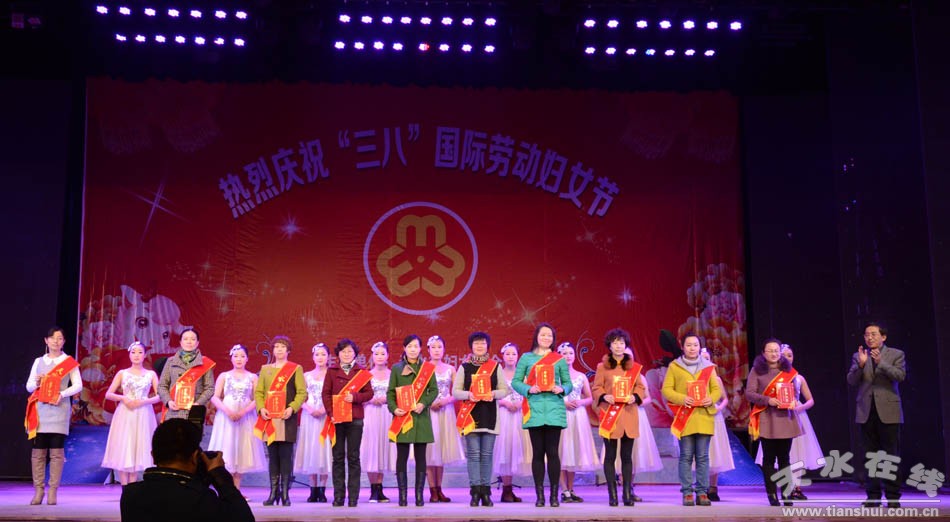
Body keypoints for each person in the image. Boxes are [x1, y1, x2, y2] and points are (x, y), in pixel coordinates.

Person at [119, 418, 254, 522]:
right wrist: (220, 476)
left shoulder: (131, 495)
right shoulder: (202, 499)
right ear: (195, 457)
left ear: (153, 456)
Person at [511, 323, 573, 508]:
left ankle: (554, 495)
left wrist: (562, 389)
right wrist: (529, 389)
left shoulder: (559, 359)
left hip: (554, 409)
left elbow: (568, 383)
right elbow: (515, 382)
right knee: (537, 453)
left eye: (549, 336)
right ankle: (539, 496)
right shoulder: (526, 358)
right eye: (543, 335)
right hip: (534, 409)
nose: (546, 338)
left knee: (553, 453)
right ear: (536, 337)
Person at [846, 322, 905, 508]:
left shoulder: (896, 354)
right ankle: (873, 496)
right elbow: (851, 380)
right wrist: (861, 365)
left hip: (889, 412)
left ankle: (893, 496)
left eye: (873, 334)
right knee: (870, 456)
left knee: (890, 455)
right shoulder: (858, 356)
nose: (869, 338)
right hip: (866, 411)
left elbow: (900, 376)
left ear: (883, 337)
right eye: (866, 335)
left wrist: (881, 363)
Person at [754, 344, 821, 501]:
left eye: (790, 355)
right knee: (775, 455)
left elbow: (810, 400)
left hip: (795, 415)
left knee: (797, 453)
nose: (787, 358)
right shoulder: (769, 375)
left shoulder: (797, 377)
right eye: (784, 355)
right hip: (774, 416)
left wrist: (799, 407)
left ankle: (795, 487)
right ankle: (779, 488)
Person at [25, 326, 83, 505]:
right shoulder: (38, 361)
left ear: (64, 341)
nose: (56, 341)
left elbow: (78, 385)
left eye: (59, 338)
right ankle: (38, 490)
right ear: (46, 340)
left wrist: (62, 394)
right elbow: (28, 387)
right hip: (40, 412)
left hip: (59, 410)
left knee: (56, 453)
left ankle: (53, 491)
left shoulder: (68, 362)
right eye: (52, 338)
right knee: (38, 453)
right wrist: (36, 382)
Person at [662, 333, 721, 507]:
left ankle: (702, 492)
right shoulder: (675, 366)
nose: (692, 348)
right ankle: (687, 492)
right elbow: (666, 390)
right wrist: (682, 399)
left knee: (702, 457)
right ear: (682, 347)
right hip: (685, 417)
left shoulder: (708, 367)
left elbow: (716, 390)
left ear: (699, 347)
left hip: (704, 416)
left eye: (695, 345)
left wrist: (711, 399)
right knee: (686, 456)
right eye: (689, 345)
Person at [452, 331, 508, 507]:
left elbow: (504, 390)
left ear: (487, 346)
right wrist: (469, 395)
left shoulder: (495, 367)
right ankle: (475, 492)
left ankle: (486, 492)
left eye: (483, 343)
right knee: (474, 455)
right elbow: (455, 391)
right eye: (476, 343)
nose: (479, 346)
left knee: (487, 455)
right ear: (471, 346)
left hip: (490, 417)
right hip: (470, 417)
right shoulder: (464, 367)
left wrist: (493, 394)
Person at [592, 329, 647, 507]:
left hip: (629, 414)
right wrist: (604, 396)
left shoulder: (634, 367)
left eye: (621, 343)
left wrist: (635, 397)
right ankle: (612, 494)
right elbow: (596, 387)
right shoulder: (602, 367)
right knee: (610, 456)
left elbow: (640, 387)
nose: (618, 346)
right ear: (609, 346)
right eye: (615, 343)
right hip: (610, 415)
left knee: (627, 457)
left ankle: (627, 493)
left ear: (626, 345)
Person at [746, 338, 801, 506]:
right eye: (770, 350)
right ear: (763, 353)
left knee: (784, 458)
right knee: (769, 458)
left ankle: (786, 493)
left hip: (785, 418)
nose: (774, 353)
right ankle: (771, 494)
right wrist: (767, 400)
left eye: (776, 350)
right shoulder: (757, 370)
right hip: (767, 418)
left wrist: (793, 401)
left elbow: (794, 393)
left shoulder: (788, 370)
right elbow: (749, 393)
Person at [254, 335, 307, 506]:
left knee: (285, 456)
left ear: (288, 350)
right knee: (273, 456)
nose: (279, 350)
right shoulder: (265, 369)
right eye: (276, 346)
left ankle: (285, 493)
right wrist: (261, 408)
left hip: (286, 418)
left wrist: (292, 408)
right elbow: (258, 392)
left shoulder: (295, 369)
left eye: (283, 347)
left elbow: (302, 393)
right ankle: (273, 492)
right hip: (269, 418)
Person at [387, 334, 438, 507]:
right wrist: (394, 408)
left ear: (420, 348)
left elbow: (434, 390)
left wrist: (424, 403)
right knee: (401, 457)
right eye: (409, 346)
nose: (413, 349)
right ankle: (402, 496)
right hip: (402, 418)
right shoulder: (396, 369)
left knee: (421, 458)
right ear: (404, 349)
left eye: (416, 346)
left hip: (421, 418)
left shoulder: (427, 368)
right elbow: (390, 393)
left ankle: (419, 496)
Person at [322, 338, 373, 507]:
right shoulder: (331, 371)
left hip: (355, 419)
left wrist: (355, 397)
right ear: (338, 354)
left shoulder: (361, 372)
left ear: (355, 354)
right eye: (343, 351)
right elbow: (326, 394)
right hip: (336, 419)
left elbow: (369, 393)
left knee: (353, 457)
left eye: (350, 351)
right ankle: (338, 496)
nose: (346, 354)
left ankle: (353, 497)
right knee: (337, 457)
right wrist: (331, 413)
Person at [208, 345, 265, 493]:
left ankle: (237, 489)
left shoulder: (253, 377)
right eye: (236, 356)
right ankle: (227, 490)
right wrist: (227, 411)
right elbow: (215, 397)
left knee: (242, 449)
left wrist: (243, 412)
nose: (239, 359)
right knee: (227, 448)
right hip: (226, 417)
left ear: (247, 359)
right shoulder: (224, 376)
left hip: (246, 418)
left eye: (242, 356)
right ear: (231, 358)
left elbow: (258, 398)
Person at [101, 341, 160, 485]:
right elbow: (108, 394)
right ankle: (124, 486)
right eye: (133, 352)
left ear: (145, 355)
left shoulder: (151, 374)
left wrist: (144, 401)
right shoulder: (123, 373)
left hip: (143, 413)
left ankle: (132, 486)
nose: (136, 355)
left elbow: (160, 396)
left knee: (138, 446)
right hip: (125, 412)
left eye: (140, 352)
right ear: (129, 355)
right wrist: (123, 398)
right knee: (125, 444)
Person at [425, 335, 465, 502]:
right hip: (428, 412)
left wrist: (446, 401)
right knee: (430, 451)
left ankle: (439, 489)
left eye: (439, 347)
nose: (436, 350)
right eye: (433, 347)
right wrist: (429, 403)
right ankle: (432, 490)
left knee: (440, 451)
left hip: (445, 411)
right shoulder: (423, 368)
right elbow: (417, 392)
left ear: (444, 350)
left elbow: (457, 392)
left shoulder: (450, 369)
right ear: (428, 350)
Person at [556, 342, 597, 504]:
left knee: (573, 451)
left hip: (578, 416)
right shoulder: (555, 376)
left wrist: (581, 402)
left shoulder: (581, 376)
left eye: (571, 353)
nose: (568, 356)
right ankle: (563, 489)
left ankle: (571, 489)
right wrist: (564, 403)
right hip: (561, 414)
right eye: (564, 353)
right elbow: (549, 396)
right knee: (561, 450)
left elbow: (590, 398)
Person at [493, 342, 532, 502]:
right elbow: (491, 394)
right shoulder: (497, 374)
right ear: (502, 356)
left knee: (516, 450)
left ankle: (509, 490)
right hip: (503, 414)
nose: (510, 357)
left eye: (513, 354)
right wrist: (504, 403)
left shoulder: (524, 375)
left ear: (518, 356)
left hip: (520, 414)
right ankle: (506, 490)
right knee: (505, 451)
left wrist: (521, 403)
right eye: (507, 354)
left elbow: (530, 393)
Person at [295, 343, 333, 503]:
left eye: (323, 354)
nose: (320, 357)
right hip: (309, 416)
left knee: (324, 449)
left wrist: (324, 409)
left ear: (328, 357)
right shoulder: (306, 376)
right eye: (317, 354)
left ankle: (322, 489)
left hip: (326, 415)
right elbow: (299, 397)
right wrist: (309, 409)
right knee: (311, 449)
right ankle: (313, 489)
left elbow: (335, 396)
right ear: (313, 357)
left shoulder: (332, 375)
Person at [361, 341, 396, 503]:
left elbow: (398, 395)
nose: (380, 357)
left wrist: (387, 399)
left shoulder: (393, 374)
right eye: (376, 354)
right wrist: (370, 400)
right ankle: (373, 489)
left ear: (388, 356)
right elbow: (359, 396)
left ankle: (380, 488)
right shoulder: (365, 375)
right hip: (370, 413)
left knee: (383, 448)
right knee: (371, 449)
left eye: (383, 353)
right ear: (372, 356)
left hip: (387, 414)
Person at [157, 328, 215, 422]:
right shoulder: (170, 361)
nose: (189, 342)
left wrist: (198, 403)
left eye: (193, 339)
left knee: (192, 432)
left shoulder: (205, 363)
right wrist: (168, 401)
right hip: (174, 410)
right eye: (185, 339)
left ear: (197, 343)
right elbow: (162, 386)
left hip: (195, 411)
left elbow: (210, 388)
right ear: (180, 342)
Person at [702, 347, 735, 502]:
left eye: (707, 358)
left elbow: (725, 399)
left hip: (714, 417)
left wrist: (718, 409)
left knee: (714, 450)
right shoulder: (692, 378)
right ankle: (701, 486)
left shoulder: (717, 379)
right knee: (701, 451)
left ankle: (713, 487)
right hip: (698, 416)